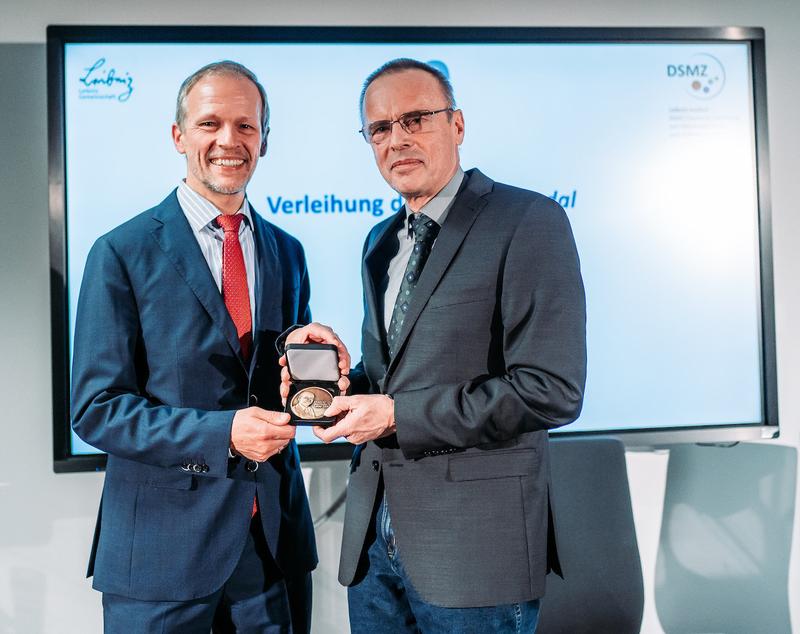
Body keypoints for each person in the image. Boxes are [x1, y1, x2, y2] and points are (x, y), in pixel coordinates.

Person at [286, 58, 587, 632]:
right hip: (375, 552)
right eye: (379, 128)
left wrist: (395, 413)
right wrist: (342, 380)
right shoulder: (381, 240)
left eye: (416, 118)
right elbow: (400, 376)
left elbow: (552, 390)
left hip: (476, 556)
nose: (397, 139)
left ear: (458, 125)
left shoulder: (528, 220)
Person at [71, 60, 348, 633]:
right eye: (209, 124)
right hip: (161, 561)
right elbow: (96, 409)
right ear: (179, 136)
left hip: (272, 548)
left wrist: (319, 368)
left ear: (264, 140)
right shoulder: (120, 252)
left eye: (246, 127)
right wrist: (221, 434)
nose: (229, 140)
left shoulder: (286, 251)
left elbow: (277, 389)